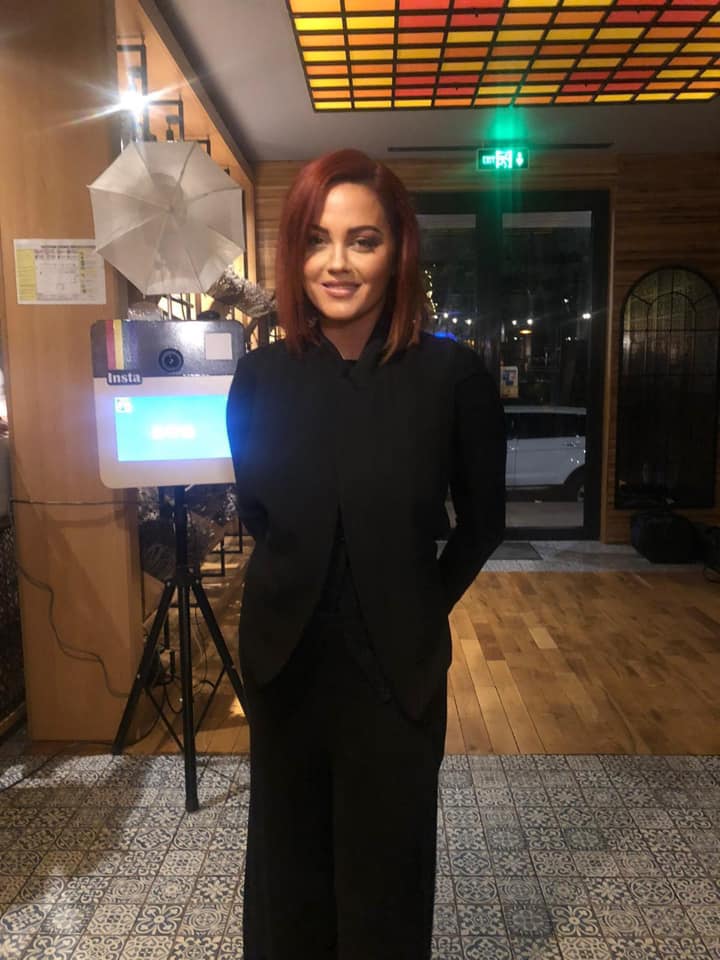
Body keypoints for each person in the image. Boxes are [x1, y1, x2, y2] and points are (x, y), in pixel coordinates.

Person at [226, 148, 506, 960]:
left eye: (363, 240)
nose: (337, 263)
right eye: (317, 239)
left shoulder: (451, 375)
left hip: (397, 670)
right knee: (288, 871)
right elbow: (258, 510)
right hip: (285, 660)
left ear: (398, 251)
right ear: (294, 252)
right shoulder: (260, 376)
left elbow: (483, 522)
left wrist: (416, 598)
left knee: (387, 872)